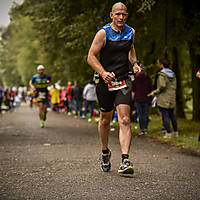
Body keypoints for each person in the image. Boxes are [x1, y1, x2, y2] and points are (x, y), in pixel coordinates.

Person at [87, 2, 141, 174]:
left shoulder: (130, 32)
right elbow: (90, 57)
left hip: (123, 80)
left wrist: (135, 63)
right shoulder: (103, 33)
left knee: (125, 119)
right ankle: (105, 152)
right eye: (118, 14)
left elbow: (131, 50)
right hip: (105, 82)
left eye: (124, 14)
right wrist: (103, 73)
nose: (121, 17)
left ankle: (125, 160)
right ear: (111, 15)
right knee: (105, 120)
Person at [149, 58, 178, 138]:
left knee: (165, 115)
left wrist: (154, 92)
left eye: (158, 63)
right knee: (172, 115)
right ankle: (176, 132)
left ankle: (168, 133)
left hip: (163, 97)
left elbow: (162, 86)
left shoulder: (161, 74)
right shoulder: (173, 74)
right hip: (172, 97)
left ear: (161, 65)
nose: (158, 64)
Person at [132, 70, 152, 135]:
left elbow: (133, 89)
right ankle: (145, 128)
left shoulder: (135, 79)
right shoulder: (148, 78)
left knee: (140, 115)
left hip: (138, 98)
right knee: (146, 114)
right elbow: (150, 88)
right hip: (146, 98)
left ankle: (141, 129)